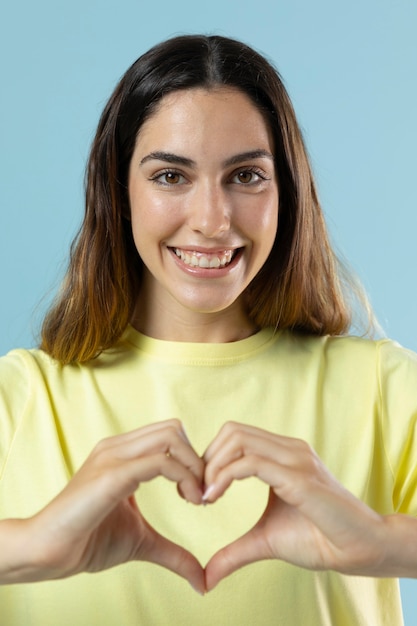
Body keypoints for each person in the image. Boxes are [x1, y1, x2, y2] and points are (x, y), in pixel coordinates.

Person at [0, 33, 416, 626]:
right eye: (171, 177)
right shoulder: (18, 399)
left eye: (246, 177)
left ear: (286, 194)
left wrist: (381, 541)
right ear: (119, 193)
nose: (212, 221)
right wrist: (31, 545)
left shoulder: (382, 387)